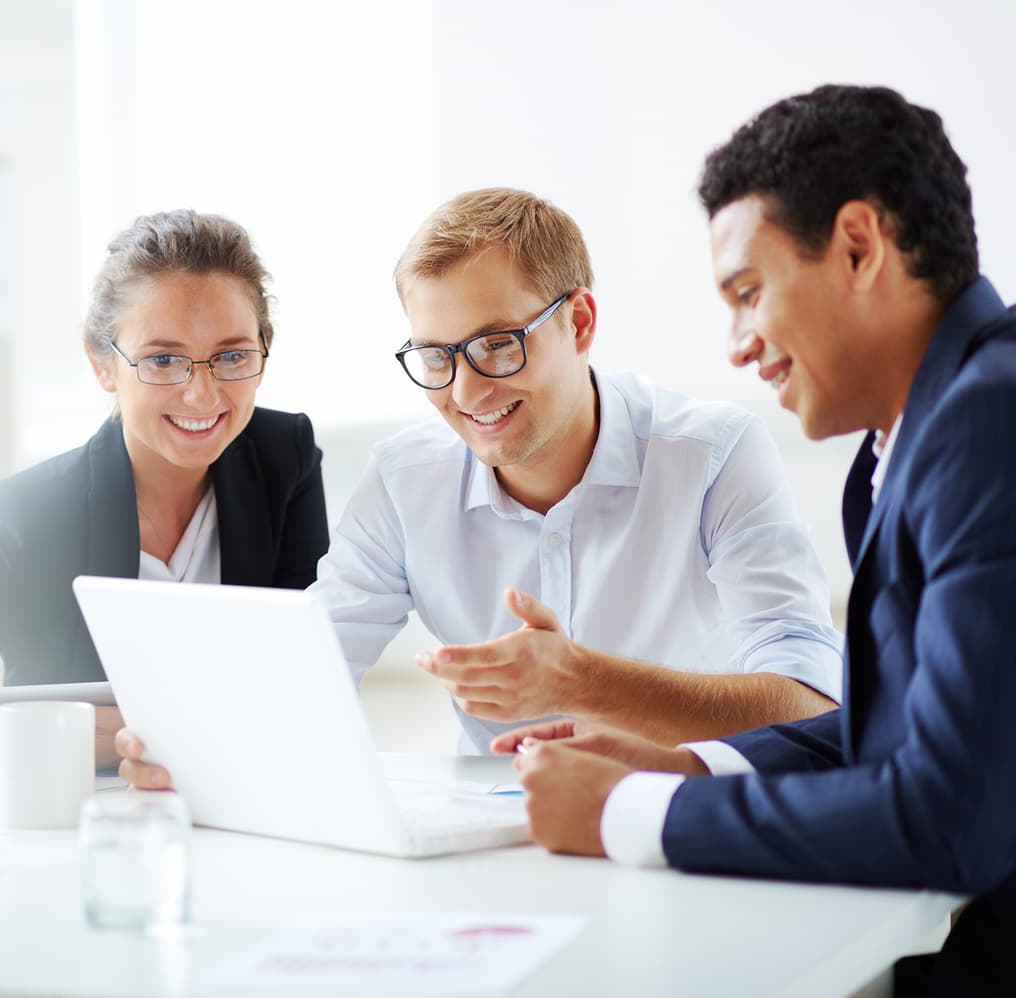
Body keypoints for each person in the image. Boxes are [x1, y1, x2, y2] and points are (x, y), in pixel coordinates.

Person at [501, 84, 1016, 995]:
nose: (738, 346)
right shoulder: (901, 446)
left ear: (859, 247)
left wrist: (635, 815)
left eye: (748, 293)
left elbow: (952, 819)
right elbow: (892, 743)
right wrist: (686, 766)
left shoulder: (989, 423)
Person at [117, 187, 844, 789]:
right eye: (436, 356)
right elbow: (309, 669)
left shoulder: (714, 456)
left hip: (690, 821)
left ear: (580, 322)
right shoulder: (406, 480)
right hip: (499, 837)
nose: (467, 390)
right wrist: (173, 744)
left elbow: (811, 706)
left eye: (497, 343)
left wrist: (584, 682)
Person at [0, 209, 329, 773]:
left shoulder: (281, 457)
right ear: (102, 363)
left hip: (241, 810)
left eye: (232, 355)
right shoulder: (41, 516)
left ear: (263, 352)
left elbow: (308, 681)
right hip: (72, 826)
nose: (201, 393)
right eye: (163, 359)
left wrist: (152, 729)